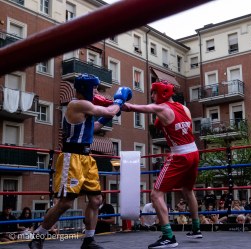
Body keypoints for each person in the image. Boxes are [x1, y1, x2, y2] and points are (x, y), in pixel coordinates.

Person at [29, 73, 132, 249]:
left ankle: (89, 240)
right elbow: (108, 110)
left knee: (96, 200)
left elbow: (96, 126)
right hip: (72, 158)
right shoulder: (78, 104)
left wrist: (111, 111)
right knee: (65, 203)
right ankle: (38, 236)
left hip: (87, 159)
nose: (96, 91)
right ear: (85, 88)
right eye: (94, 87)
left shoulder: (86, 107)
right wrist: (119, 101)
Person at [122, 80, 202, 248]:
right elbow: (188, 129)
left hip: (180, 154)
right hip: (194, 152)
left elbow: (140, 108)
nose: (151, 96)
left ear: (163, 93)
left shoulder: (162, 108)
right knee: (188, 190)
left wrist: (122, 104)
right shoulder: (184, 108)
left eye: (154, 93)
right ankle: (196, 229)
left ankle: (168, 236)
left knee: (156, 194)